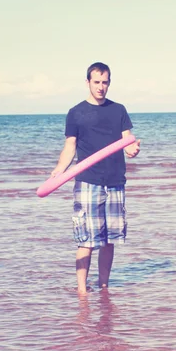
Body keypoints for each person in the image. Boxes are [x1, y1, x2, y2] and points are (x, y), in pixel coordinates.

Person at [50, 62, 141, 295]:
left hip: (115, 181)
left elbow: (126, 139)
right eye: (97, 82)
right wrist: (59, 170)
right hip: (88, 181)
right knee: (86, 240)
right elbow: (70, 146)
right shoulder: (76, 112)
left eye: (105, 82)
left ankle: (103, 286)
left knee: (109, 239)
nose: (101, 87)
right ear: (88, 82)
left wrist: (132, 149)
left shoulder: (118, 109)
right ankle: (82, 290)